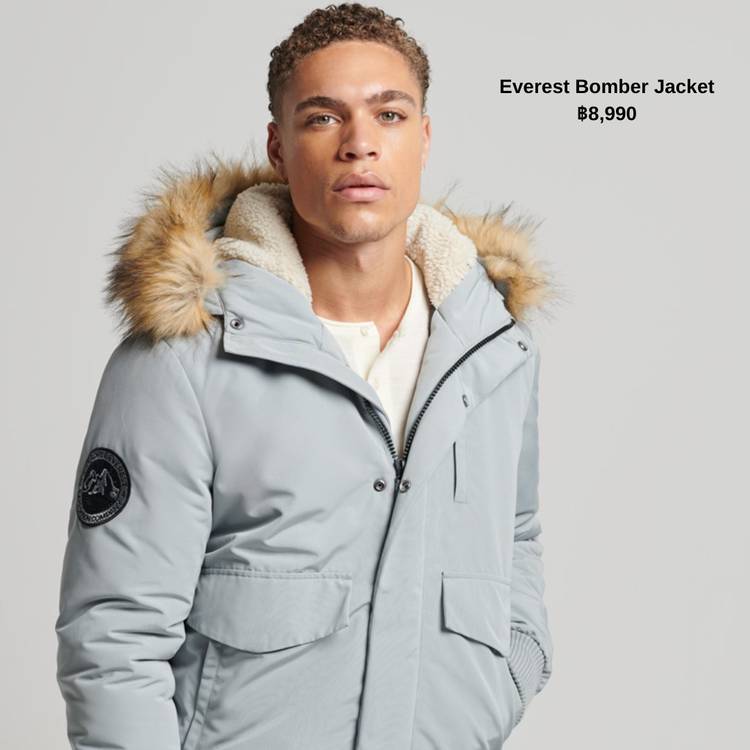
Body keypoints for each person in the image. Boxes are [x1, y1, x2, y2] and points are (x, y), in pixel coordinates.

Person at [55, 3, 558, 748]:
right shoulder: (187, 357)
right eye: (323, 118)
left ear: (423, 139)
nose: (360, 143)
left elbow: (514, 534)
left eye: (389, 114)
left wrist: (507, 674)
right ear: (279, 148)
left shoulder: (491, 349)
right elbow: (113, 639)